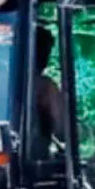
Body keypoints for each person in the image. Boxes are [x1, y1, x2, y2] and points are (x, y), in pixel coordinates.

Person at [33, 26, 65, 154]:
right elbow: (62, 129)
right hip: (37, 158)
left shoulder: (0, 83)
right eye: (47, 51)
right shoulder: (46, 87)